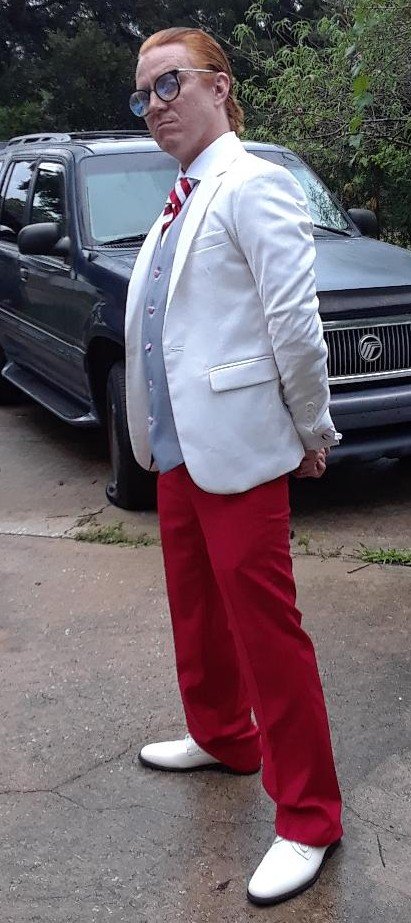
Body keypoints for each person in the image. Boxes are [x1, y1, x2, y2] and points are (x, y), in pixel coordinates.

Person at [125, 26, 343, 907]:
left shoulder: (253, 183)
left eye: (167, 83)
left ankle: (309, 817)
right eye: (141, 94)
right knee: (195, 605)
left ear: (219, 85)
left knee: (265, 630)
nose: (153, 106)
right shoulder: (181, 193)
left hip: (242, 447)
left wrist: (311, 427)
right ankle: (222, 734)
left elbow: (294, 322)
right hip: (178, 445)